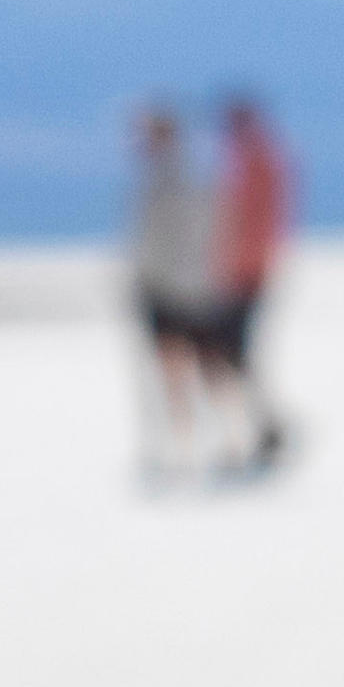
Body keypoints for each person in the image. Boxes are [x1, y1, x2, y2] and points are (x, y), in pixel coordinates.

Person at [126, 98, 223, 476]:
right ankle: (187, 445)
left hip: (181, 286)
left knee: (196, 367)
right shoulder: (174, 173)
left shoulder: (181, 176)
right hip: (176, 284)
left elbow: (190, 234)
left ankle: (197, 444)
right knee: (188, 369)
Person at [205, 89, 297, 472]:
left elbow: (251, 223)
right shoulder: (253, 159)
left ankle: (257, 429)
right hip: (244, 271)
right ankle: (256, 429)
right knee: (231, 355)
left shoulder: (257, 161)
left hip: (245, 274)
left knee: (231, 354)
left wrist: (229, 265)